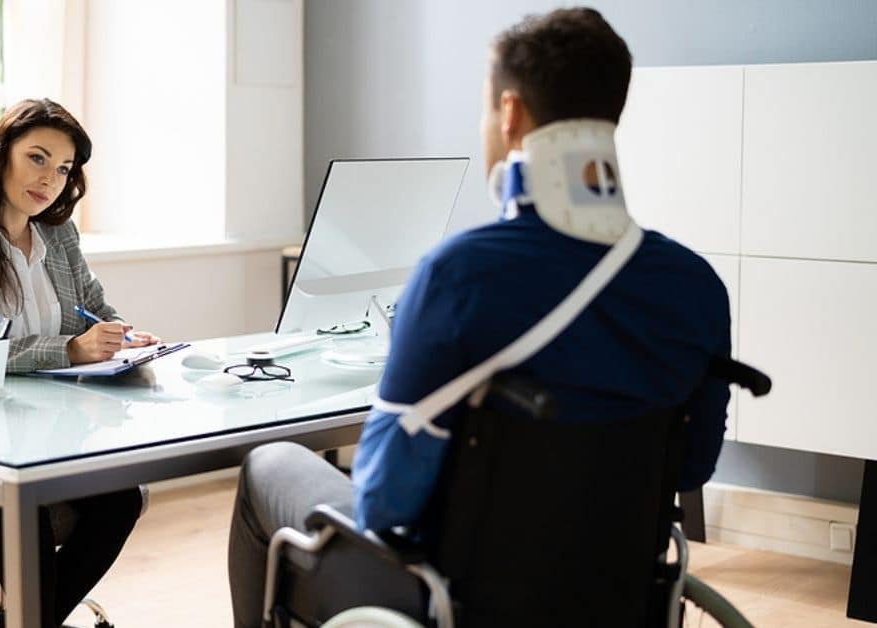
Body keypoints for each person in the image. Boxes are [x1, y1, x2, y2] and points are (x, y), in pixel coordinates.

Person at [226, 8, 732, 626]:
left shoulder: (461, 275)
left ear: (511, 114)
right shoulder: (695, 285)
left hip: (453, 594)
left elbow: (385, 502)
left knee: (269, 464)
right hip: (616, 588)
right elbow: (690, 466)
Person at [0, 98, 158, 627]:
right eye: (38, 158)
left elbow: (92, 306)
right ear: (1, 155)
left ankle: (22, 623)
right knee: (23, 505)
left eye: (64, 168)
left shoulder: (58, 232)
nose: (50, 178)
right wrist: (70, 349)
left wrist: (126, 336)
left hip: (53, 426)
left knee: (121, 499)